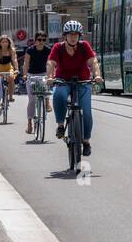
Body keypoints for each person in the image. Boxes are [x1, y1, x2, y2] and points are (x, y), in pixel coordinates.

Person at [47, 20, 102, 156]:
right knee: (59, 95)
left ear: (79, 36)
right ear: (65, 36)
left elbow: (93, 62)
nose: (73, 37)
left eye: (76, 35)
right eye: (70, 34)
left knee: (87, 113)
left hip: (83, 81)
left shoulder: (84, 46)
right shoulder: (58, 47)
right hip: (63, 80)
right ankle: (60, 125)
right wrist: (49, 77)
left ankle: (86, 141)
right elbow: (51, 62)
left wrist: (97, 75)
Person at [22, 31, 52, 135]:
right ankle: (29, 123)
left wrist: (51, 75)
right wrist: (25, 75)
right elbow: (26, 63)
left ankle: (47, 102)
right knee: (32, 99)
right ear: (35, 40)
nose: (41, 42)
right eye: (39, 39)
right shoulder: (30, 50)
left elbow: (50, 63)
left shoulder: (48, 50)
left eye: (43, 40)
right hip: (32, 75)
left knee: (46, 83)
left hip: (43, 73)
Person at [0, 34, 18, 118]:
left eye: (6, 42)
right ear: (0, 43)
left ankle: (10, 96)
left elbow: (14, 60)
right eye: (3, 42)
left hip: (8, 67)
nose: (5, 43)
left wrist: (16, 69)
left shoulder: (11, 50)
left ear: (9, 43)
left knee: (11, 77)